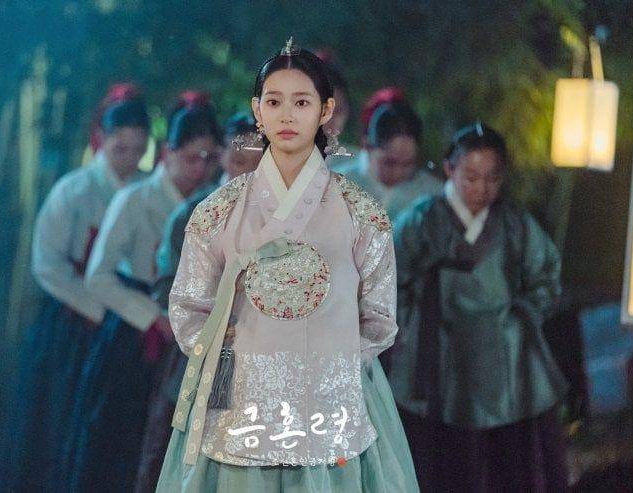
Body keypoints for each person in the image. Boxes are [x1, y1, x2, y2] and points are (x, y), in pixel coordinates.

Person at [155, 39, 418, 493]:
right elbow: (189, 307)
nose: (287, 116)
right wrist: (233, 362)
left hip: (331, 395)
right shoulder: (217, 211)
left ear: (326, 110)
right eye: (274, 102)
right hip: (240, 398)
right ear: (257, 110)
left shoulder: (362, 213)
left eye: (302, 102)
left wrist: (327, 365)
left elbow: (378, 317)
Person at [387, 122, 569, 492]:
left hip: (503, 353)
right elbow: (389, 279)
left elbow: (546, 274)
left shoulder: (515, 223)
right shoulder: (421, 220)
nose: (481, 189)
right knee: (437, 460)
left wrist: (522, 317)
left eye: (492, 178)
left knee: (508, 462)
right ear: (449, 169)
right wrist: (410, 326)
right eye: (471, 177)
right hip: (436, 352)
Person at [63, 98, 223, 492]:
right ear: (169, 152)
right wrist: (152, 318)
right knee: (119, 436)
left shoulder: (214, 205)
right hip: (133, 335)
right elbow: (98, 277)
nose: (199, 169)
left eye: (208, 159)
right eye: (191, 158)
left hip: (187, 336)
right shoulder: (135, 199)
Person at [0, 95, 150, 492]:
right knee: (55, 418)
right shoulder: (74, 190)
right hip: (70, 326)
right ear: (102, 139)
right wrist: (96, 306)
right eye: (120, 147)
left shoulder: (146, 192)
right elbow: (47, 264)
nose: (128, 158)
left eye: (137, 149)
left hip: (123, 326)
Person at [134, 112, 261, 493]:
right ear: (222, 155)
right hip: (197, 357)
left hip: (256, 361)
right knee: (176, 459)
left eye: (255, 163)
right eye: (237, 160)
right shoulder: (193, 213)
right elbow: (167, 285)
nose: (243, 171)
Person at [334, 94, 441, 224]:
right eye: (389, 163)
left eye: (407, 164)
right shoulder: (335, 185)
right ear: (367, 146)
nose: (398, 172)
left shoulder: (431, 194)